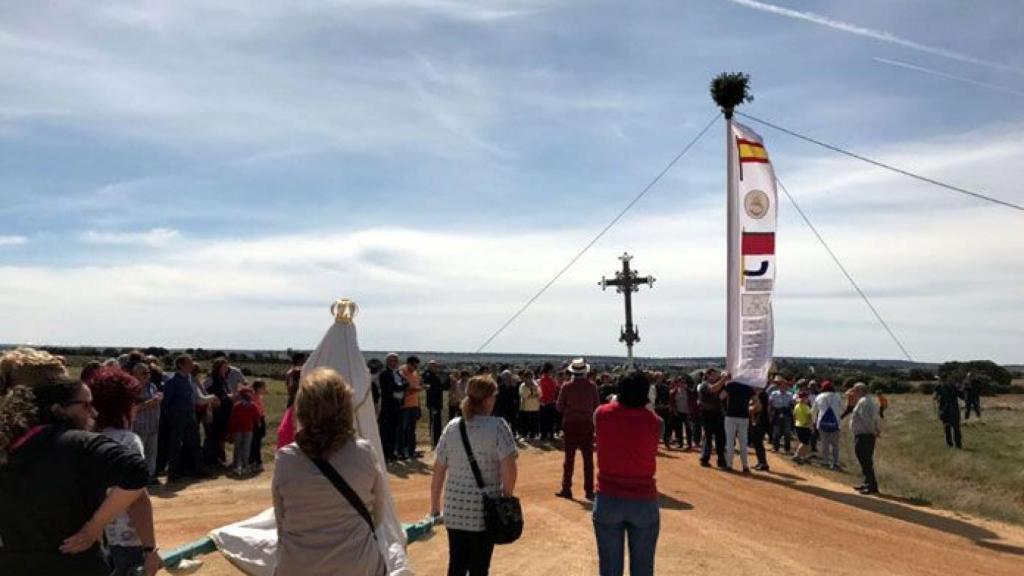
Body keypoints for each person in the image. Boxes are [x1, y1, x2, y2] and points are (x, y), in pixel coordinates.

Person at [0, 367, 160, 576]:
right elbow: (135, 471)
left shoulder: (8, 443)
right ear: (59, 409)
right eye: (86, 405)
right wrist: (95, 526)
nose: (93, 413)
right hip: (75, 564)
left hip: (16, 564)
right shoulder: (77, 442)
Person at [273, 367, 391, 576]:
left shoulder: (285, 459)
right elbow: (378, 515)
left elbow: (281, 519)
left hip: (298, 565)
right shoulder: (363, 452)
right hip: (356, 564)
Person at [430, 375, 518, 576]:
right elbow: (509, 468)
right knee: (480, 567)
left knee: (456, 565)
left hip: (454, 509)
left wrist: (435, 507)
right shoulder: (498, 426)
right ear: (487, 399)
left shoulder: (452, 426)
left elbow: (438, 470)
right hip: (484, 511)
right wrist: (506, 498)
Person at [592, 370, 661, 576]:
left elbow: (608, 411)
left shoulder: (601, 414)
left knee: (609, 568)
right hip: (643, 499)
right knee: (643, 568)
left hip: (608, 497)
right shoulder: (656, 422)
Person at [88, 367, 151, 576]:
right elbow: (136, 499)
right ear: (123, 406)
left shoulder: (82, 438)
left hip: (89, 537)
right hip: (124, 539)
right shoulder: (127, 441)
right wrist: (150, 549)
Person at [556, 358, 600, 500]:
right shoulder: (592, 387)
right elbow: (597, 406)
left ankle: (566, 488)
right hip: (587, 424)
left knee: (569, 459)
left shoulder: (566, 387)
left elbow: (559, 407)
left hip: (570, 424)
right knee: (588, 460)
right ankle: (589, 491)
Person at [163, 355, 210, 482]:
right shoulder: (172, 381)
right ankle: (174, 474)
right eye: (189, 363)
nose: (192, 365)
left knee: (195, 442)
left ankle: (197, 469)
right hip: (177, 417)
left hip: (190, 415)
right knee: (176, 445)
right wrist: (171, 416)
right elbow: (166, 401)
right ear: (181, 365)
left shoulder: (189, 378)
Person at [131, 362, 163, 484]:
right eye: (144, 373)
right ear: (135, 374)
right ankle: (138, 479)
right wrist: (150, 402)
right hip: (140, 426)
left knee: (151, 454)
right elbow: (134, 408)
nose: (147, 375)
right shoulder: (132, 389)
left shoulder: (152, 386)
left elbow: (155, 401)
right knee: (139, 454)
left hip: (153, 425)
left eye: (148, 372)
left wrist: (159, 398)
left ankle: (150, 477)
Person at [850, 382, 882, 495]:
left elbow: (866, 419)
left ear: (860, 391)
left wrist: (872, 431)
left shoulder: (864, 402)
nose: (853, 393)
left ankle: (871, 485)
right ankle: (867, 482)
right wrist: (876, 430)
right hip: (866, 434)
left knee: (865, 460)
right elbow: (875, 418)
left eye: (854, 390)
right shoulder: (869, 401)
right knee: (865, 460)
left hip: (864, 435)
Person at [377, 353, 408, 462]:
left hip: (398, 404)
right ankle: (385, 454)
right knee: (386, 430)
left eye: (395, 360)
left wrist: (403, 385)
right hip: (388, 406)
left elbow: (405, 382)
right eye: (391, 360)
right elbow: (394, 387)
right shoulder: (385, 373)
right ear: (387, 361)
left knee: (394, 430)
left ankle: (391, 453)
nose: (393, 362)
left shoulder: (398, 373)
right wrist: (403, 386)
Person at [721, 375, 752, 472]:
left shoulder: (731, 385)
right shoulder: (748, 387)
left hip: (731, 415)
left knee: (730, 442)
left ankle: (729, 465)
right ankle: (745, 465)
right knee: (743, 442)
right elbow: (755, 400)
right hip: (744, 417)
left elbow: (721, 396)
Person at [697, 368, 727, 469]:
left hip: (718, 414)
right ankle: (704, 459)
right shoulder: (704, 385)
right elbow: (713, 389)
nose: (716, 376)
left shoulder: (719, 385)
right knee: (708, 437)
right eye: (714, 375)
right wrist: (724, 378)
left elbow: (722, 397)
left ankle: (721, 460)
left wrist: (728, 384)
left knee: (720, 438)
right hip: (707, 415)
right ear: (708, 375)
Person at [229, 387, 262, 476]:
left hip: (238, 430)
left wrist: (231, 432)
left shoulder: (237, 406)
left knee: (238, 448)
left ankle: (237, 466)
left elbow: (232, 420)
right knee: (246, 448)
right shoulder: (253, 405)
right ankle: (245, 466)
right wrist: (258, 425)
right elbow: (257, 419)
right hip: (248, 430)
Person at [812, 381, 844, 470]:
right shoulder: (837, 396)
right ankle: (835, 463)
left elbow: (814, 410)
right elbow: (843, 408)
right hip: (835, 424)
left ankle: (825, 462)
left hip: (822, 423)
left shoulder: (819, 396)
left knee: (824, 444)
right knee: (835, 445)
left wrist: (814, 422)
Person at [423, 361, 447, 449]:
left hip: (438, 403)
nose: (436, 368)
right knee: (433, 423)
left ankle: (438, 441)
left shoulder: (437, 376)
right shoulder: (428, 375)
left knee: (438, 423)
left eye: (437, 366)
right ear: (430, 367)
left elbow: (444, 387)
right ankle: (434, 443)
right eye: (434, 366)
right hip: (433, 403)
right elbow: (431, 387)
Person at [934, 379, 963, 449]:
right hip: (954, 409)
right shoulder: (953, 387)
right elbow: (962, 396)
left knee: (947, 426)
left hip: (944, 410)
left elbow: (935, 397)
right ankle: (958, 444)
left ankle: (949, 443)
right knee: (955, 427)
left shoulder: (939, 387)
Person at [768, 380, 795, 453]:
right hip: (777, 413)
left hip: (786, 413)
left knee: (787, 432)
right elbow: (770, 404)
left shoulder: (790, 394)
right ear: (779, 386)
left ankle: (787, 449)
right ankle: (775, 447)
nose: (784, 387)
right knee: (776, 432)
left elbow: (792, 404)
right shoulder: (774, 394)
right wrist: (770, 414)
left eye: (785, 385)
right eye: (782, 385)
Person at [748, 386, 770, 471]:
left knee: (758, 442)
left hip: (761, 421)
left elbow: (757, 408)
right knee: (757, 442)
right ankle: (761, 462)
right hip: (758, 421)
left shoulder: (762, 395)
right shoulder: (759, 394)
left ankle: (763, 463)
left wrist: (750, 408)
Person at [668, 377, 693, 450]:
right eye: (681, 382)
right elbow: (671, 402)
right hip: (678, 413)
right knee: (678, 429)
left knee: (688, 429)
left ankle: (689, 444)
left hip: (687, 413)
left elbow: (692, 402)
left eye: (684, 382)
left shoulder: (689, 392)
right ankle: (680, 443)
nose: (682, 384)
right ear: (678, 383)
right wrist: (674, 411)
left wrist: (691, 411)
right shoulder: (674, 392)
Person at [249, 380, 268, 473]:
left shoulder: (259, 397)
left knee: (258, 440)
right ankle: (254, 461)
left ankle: (256, 461)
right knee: (255, 442)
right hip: (256, 420)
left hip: (261, 418)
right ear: (258, 388)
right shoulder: (253, 398)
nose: (265, 389)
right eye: (263, 387)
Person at [537, 363, 559, 441]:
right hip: (550, 402)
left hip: (543, 403)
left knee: (543, 420)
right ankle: (551, 435)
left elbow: (539, 392)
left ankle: (543, 435)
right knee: (550, 420)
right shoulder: (552, 381)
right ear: (549, 370)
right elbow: (554, 392)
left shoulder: (541, 380)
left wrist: (541, 401)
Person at [791, 391, 813, 464]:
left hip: (798, 425)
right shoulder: (806, 407)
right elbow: (809, 417)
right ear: (804, 398)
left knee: (805, 442)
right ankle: (796, 455)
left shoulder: (796, 406)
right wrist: (811, 426)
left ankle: (804, 457)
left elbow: (794, 416)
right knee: (804, 442)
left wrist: (795, 423)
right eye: (806, 397)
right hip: (805, 426)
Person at [518, 371, 540, 440]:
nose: (530, 379)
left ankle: (533, 435)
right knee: (525, 423)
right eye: (528, 377)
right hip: (525, 408)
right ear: (525, 378)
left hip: (535, 407)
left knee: (534, 422)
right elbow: (524, 396)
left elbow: (539, 394)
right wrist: (533, 395)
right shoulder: (522, 386)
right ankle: (524, 435)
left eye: (531, 377)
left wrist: (531, 395)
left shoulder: (536, 385)